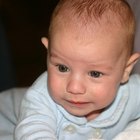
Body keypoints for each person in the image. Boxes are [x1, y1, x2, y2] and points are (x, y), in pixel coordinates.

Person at [15, 0, 140, 139]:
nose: (74, 88)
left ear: (125, 70)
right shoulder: (41, 99)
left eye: (95, 73)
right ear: (48, 53)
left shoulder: (132, 92)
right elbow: (32, 132)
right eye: (63, 68)